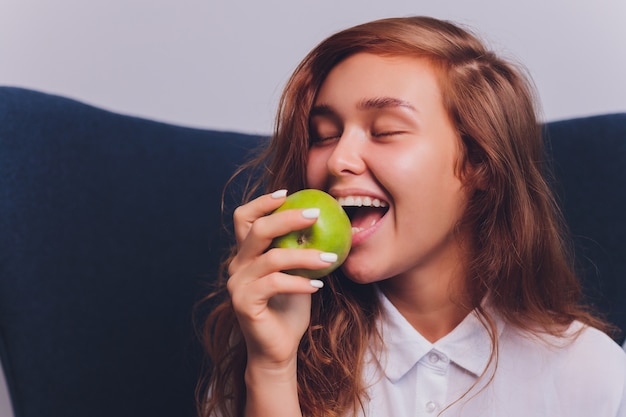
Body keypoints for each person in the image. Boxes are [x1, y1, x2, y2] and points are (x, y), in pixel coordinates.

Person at [196, 16, 626, 417]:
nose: (338, 159)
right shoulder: (269, 342)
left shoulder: (591, 377)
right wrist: (272, 369)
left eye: (385, 130)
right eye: (323, 135)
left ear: (478, 161)